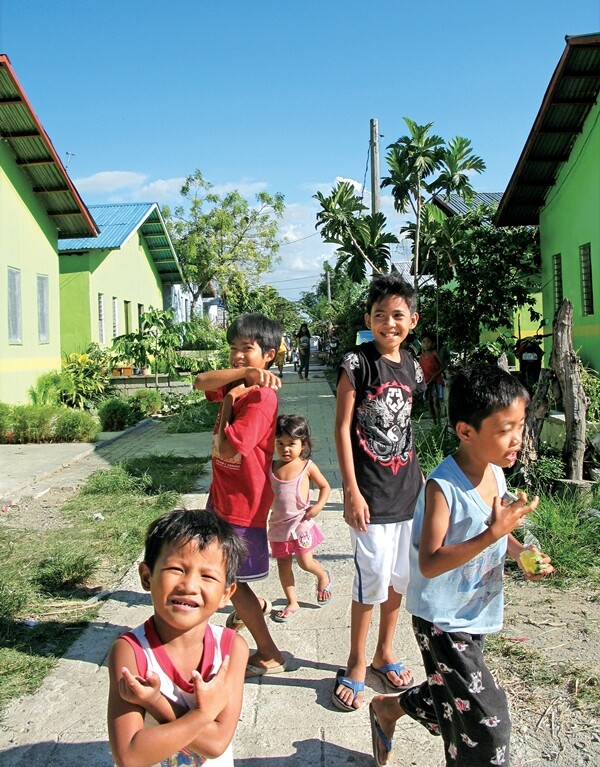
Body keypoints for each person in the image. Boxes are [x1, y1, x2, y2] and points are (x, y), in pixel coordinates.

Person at [369, 364, 554, 767]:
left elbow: (499, 533)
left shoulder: (495, 474)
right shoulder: (442, 488)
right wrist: (491, 535)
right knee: (488, 724)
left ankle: (388, 708)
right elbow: (430, 563)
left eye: (520, 425)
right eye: (505, 429)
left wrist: (520, 551)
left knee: (454, 695)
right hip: (441, 621)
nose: (517, 438)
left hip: (476, 612)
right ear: (466, 431)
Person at [333, 273, 425, 712]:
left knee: (398, 580)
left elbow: (407, 425)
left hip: (408, 493)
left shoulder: (412, 365)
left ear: (412, 320)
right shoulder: (358, 362)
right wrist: (350, 490)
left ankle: (384, 651)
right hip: (370, 496)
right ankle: (354, 661)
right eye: (380, 315)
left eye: (397, 315)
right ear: (368, 318)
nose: (389, 323)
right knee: (370, 581)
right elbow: (342, 428)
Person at [107, 508, 248, 767]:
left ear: (226, 594)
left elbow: (217, 744)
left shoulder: (231, 649)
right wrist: (203, 714)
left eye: (207, 575)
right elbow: (129, 756)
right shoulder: (130, 652)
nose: (189, 585)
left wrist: (155, 702)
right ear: (146, 576)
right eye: (175, 569)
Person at [193, 313, 286, 678]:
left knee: (230, 581)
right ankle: (253, 607)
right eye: (233, 349)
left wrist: (232, 398)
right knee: (224, 574)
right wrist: (239, 379)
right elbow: (200, 382)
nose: (237, 356)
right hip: (221, 497)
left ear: (269, 355)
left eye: (247, 350)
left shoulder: (261, 399)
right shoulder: (243, 384)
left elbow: (228, 450)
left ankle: (270, 654)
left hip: (242, 506)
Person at [268, 414, 333, 622]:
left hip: (300, 526)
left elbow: (325, 486)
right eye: (280, 443)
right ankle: (292, 602)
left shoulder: (307, 466)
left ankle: (322, 576)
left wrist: (318, 506)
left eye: (291, 444)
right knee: (283, 565)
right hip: (278, 527)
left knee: (306, 562)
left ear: (303, 444)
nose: (285, 449)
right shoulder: (271, 467)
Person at [419, 332, 444, 425]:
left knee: (435, 402)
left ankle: (439, 422)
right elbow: (419, 369)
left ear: (433, 344)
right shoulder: (421, 356)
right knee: (429, 402)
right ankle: (435, 424)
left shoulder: (434, 353)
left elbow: (442, 366)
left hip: (436, 380)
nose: (426, 344)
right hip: (427, 382)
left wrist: (434, 376)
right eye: (424, 342)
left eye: (428, 342)